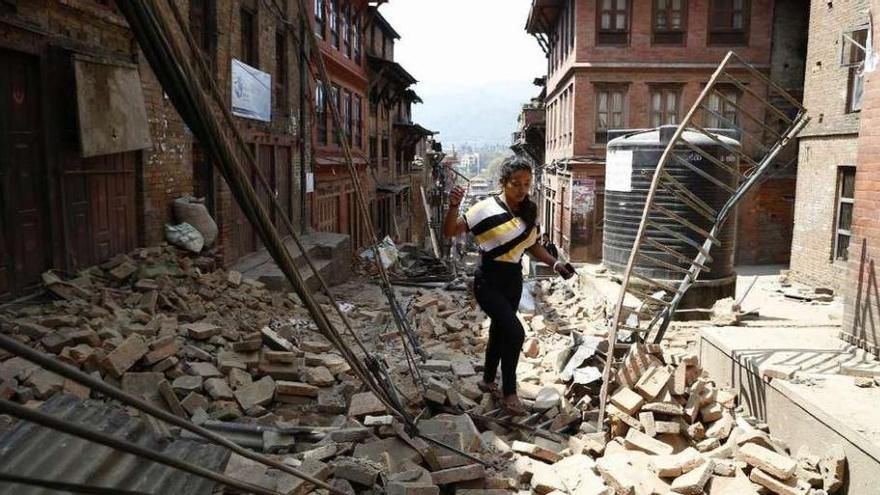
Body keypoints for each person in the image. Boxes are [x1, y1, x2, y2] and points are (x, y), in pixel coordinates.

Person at [442, 156, 574, 415]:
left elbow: (532, 245)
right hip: (488, 280)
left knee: (499, 331)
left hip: (513, 279)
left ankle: (488, 379)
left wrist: (556, 264)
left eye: (526, 184)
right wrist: (453, 206)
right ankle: (510, 391)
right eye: (516, 184)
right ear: (503, 183)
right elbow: (451, 231)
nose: (522, 190)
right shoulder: (484, 209)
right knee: (515, 332)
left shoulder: (529, 211)